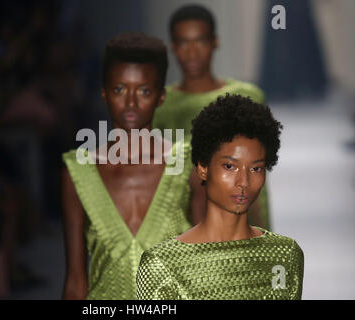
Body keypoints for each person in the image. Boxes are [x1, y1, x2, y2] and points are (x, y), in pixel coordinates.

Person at [61, 32, 205, 300]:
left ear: (161, 97)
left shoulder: (188, 167)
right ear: (104, 94)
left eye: (143, 91)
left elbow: (202, 270)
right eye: (119, 89)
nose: (130, 102)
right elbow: (76, 280)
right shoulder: (78, 174)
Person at [137, 94, 304, 300]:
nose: (243, 181)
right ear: (203, 169)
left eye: (256, 168)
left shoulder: (285, 255)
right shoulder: (160, 263)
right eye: (229, 166)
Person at [153, 4, 270, 229]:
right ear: (173, 47)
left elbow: (257, 173)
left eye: (200, 41)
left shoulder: (247, 97)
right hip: (180, 226)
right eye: (183, 43)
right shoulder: (161, 106)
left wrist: (262, 232)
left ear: (215, 42)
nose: (192, 51)